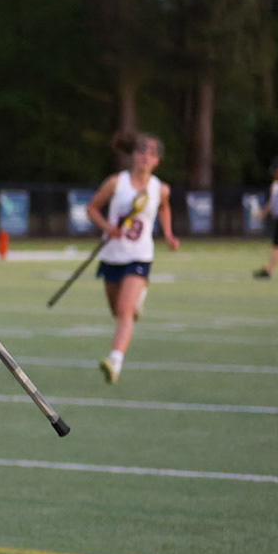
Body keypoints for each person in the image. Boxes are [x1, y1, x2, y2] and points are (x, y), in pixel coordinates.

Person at [88, 134, 178, 383]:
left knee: (125, 311)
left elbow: (164, 207)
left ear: (157, 160)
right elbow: (92, 209)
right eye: (141, 151)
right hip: (112, 255)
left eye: (151, 153)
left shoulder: (161, 189)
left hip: (140, 256)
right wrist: (107, 227)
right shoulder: (116, 183)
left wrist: (168, 234)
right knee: (117, 310)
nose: (145, 157)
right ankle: (137, 301)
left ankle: (114, 361)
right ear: (132, 155)